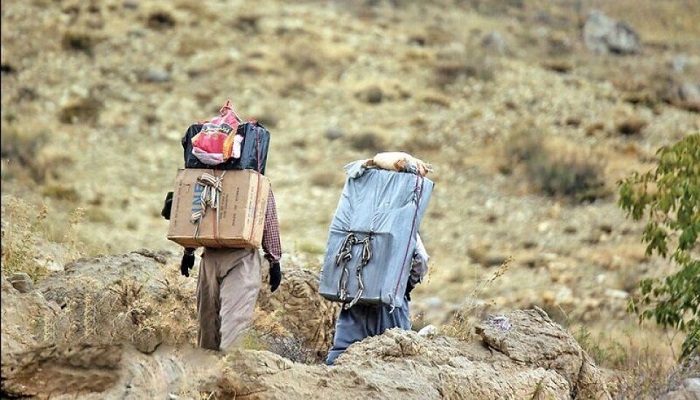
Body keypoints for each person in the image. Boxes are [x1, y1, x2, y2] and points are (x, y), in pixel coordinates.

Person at [178, 190, 282, 351]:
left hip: (220, 257)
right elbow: (268, 220)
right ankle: (220, 372)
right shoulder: (252, 179)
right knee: (223, 327)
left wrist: (189, 251)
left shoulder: (205, 177)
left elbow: (194, 212)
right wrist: (274, 260)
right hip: (234, 257)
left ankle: (219, 371)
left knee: (217, 328)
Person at [325, 233, 429, 365]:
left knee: (342, 355)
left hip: (355, 299)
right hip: (390, 303)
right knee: (395, 356)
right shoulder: (404, 224)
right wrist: (406, 286)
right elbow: (422, 260)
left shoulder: (355, 221)